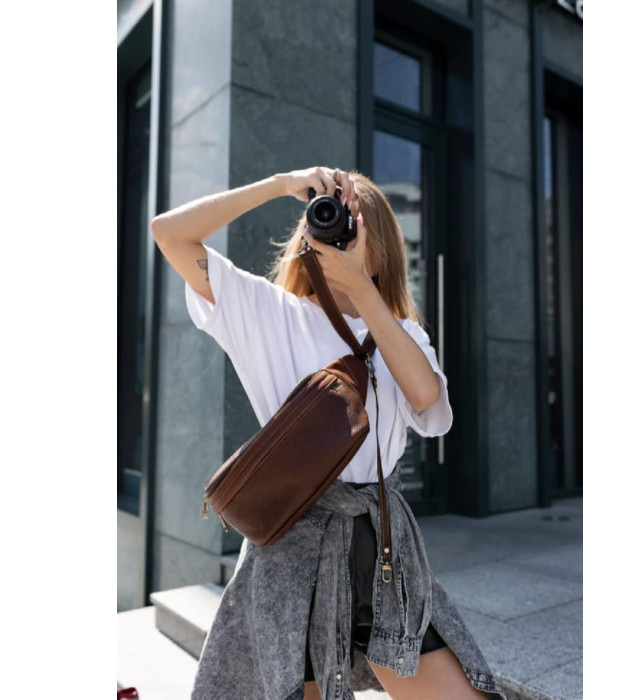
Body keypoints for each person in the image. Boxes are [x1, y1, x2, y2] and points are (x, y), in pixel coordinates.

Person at [151, 166, 506, 700]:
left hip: (380, 544)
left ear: (381, 248)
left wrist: (359, 286)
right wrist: (279, 184)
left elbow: (426, 399)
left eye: (354, 223)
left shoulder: (403, 333)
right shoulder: (268, 311)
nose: (340, 231)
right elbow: (169, 233)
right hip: (294, 546)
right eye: (328, 216)